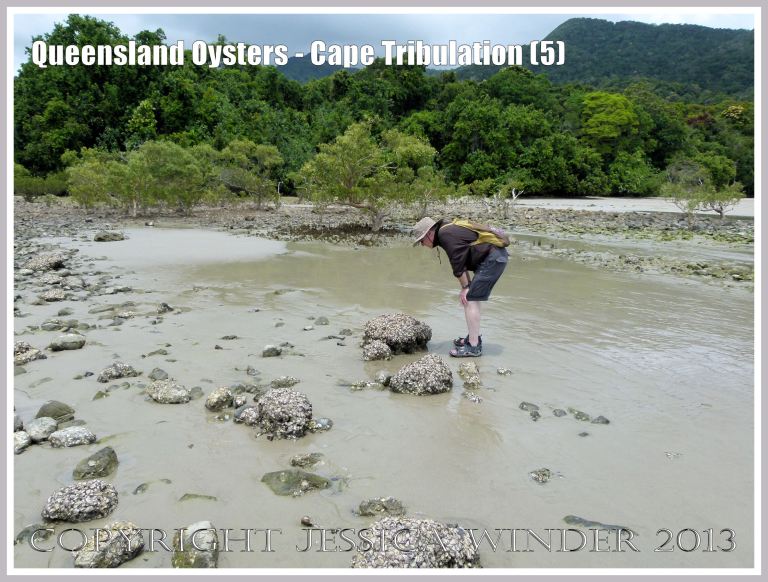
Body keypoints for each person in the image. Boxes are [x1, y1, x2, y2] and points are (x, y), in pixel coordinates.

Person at [412, 216, 508, 357]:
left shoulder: (445, 234)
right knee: (472, 298)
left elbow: (457, 261)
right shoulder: (447, 229)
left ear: (429, 233)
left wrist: (465, 287)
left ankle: (473, 347)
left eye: (421, 240)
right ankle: (473, 338)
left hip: (492, 258)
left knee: (469, 299)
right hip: (494, 257)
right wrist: (467, 286)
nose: (422, 244)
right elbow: (461, 259)